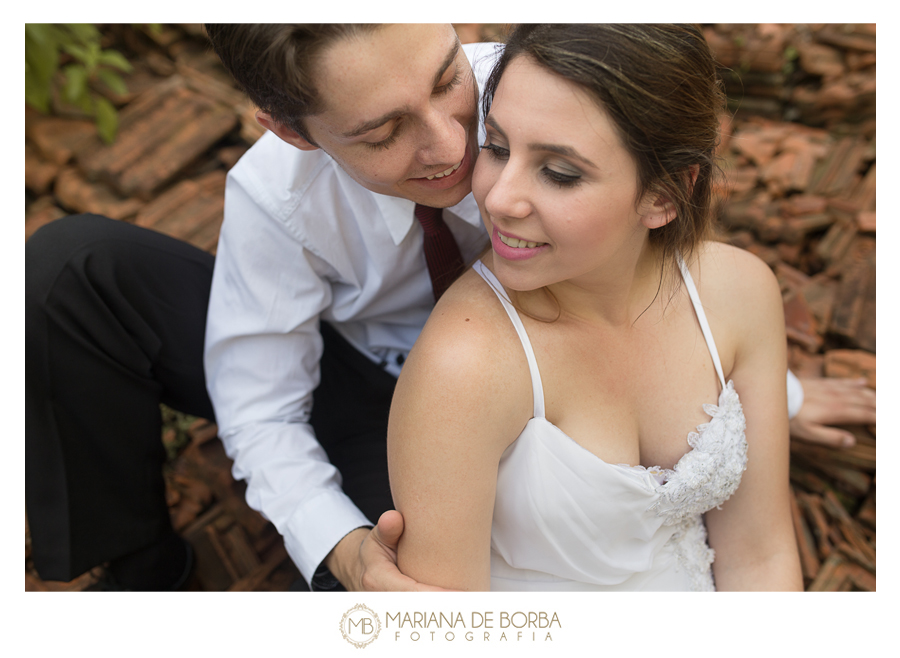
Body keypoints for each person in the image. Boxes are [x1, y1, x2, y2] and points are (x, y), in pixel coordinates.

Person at [24, 23, 869, 591]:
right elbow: (262, 409)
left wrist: (764, 398)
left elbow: (649, 266)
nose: (457, 149)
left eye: (447, 82)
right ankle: (137, 576)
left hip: (562, 367)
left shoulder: (543, 87)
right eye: (383, 130)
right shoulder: (278, 198)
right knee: (72, 270)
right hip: (363, 384)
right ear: (292, 129)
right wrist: (342, 548)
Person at [387, 24, 804, 590]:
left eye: (560, 173)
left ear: (662, 195)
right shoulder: (464, 365)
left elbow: (760, 555)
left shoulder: (739, 292)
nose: (499, 197)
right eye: (497, 147)